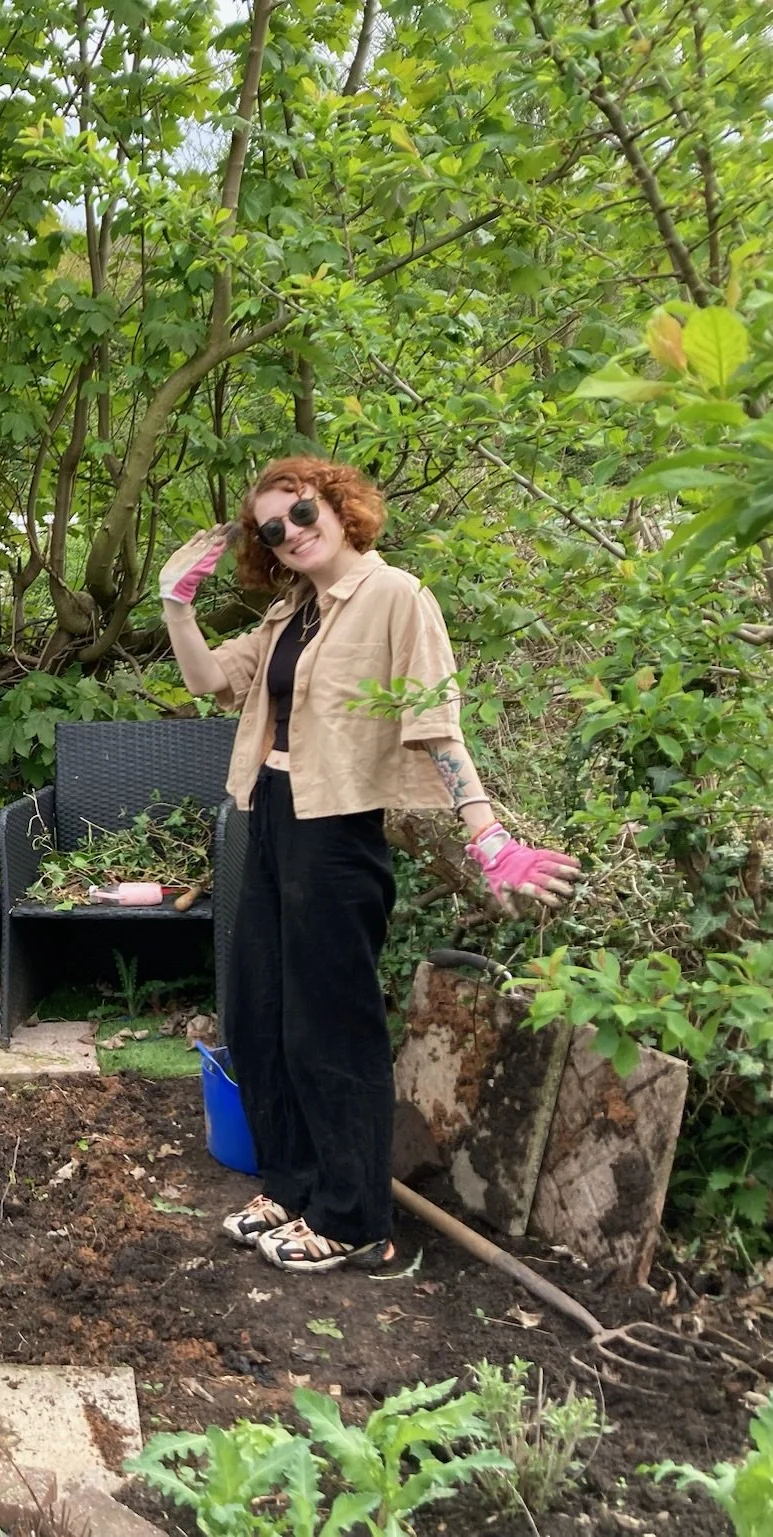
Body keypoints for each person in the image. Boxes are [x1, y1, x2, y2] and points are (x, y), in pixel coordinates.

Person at [158, 457, 579, 1274]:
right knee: (259, 1014)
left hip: (336, 835)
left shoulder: (395, 597)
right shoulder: (291, 612)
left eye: (300, 512)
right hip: (268, 815)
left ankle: (353, 1219)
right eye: (270, 529)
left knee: (331, 1026)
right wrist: (177, 604)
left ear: (339, 506)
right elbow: (209, 678)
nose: (289, 534)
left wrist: (487, 835)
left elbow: (435, 722)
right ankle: (293, 1184)